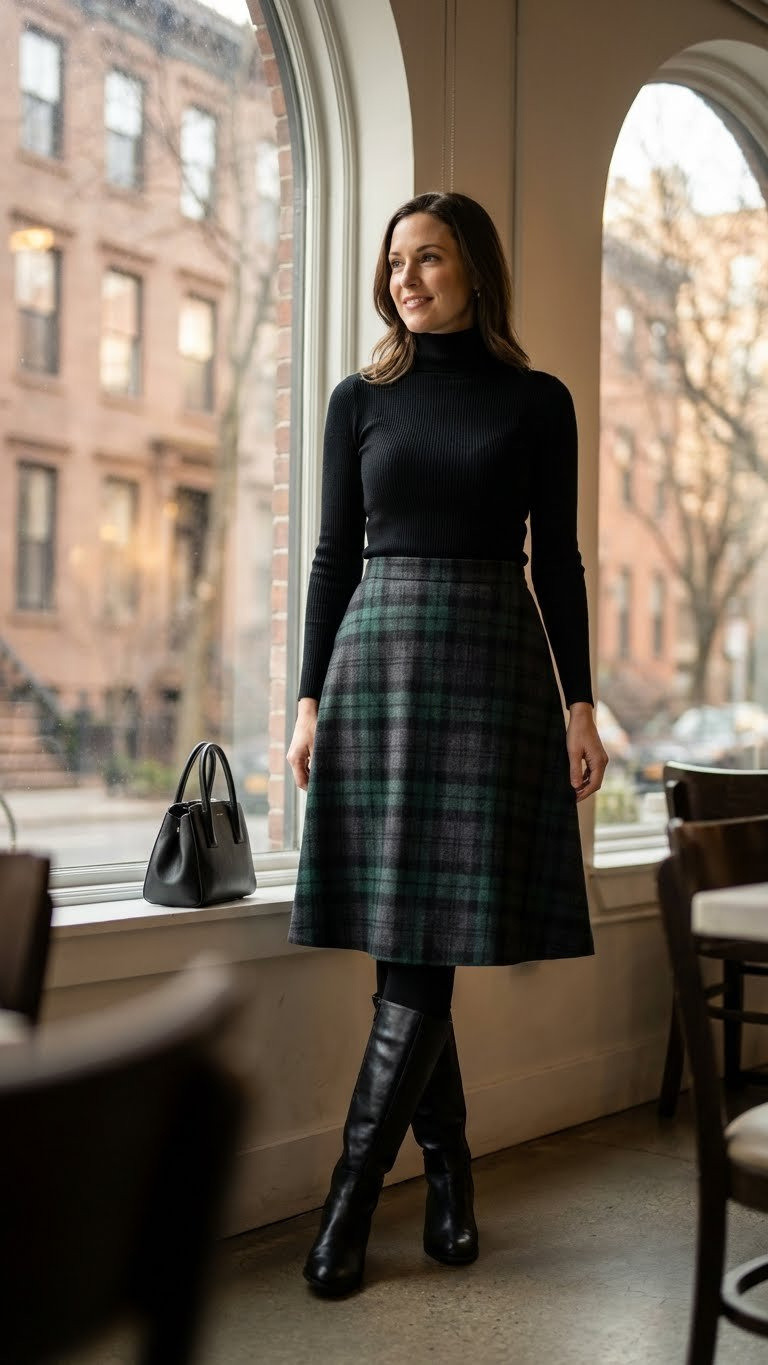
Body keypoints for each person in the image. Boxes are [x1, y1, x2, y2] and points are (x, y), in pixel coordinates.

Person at [286, 191, 608, 1297]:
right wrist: (307, 699)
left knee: (422, 943)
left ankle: (348, 1204)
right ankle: (452, 1174)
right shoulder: (358, 400)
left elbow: (556, 561)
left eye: (427, 260)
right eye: (394, 265)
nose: (405, 280)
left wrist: (581, 702)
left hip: (489, 665)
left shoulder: (537, 402)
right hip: (376, 664)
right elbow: (333, 554)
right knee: (406, 940)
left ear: (475, 270)